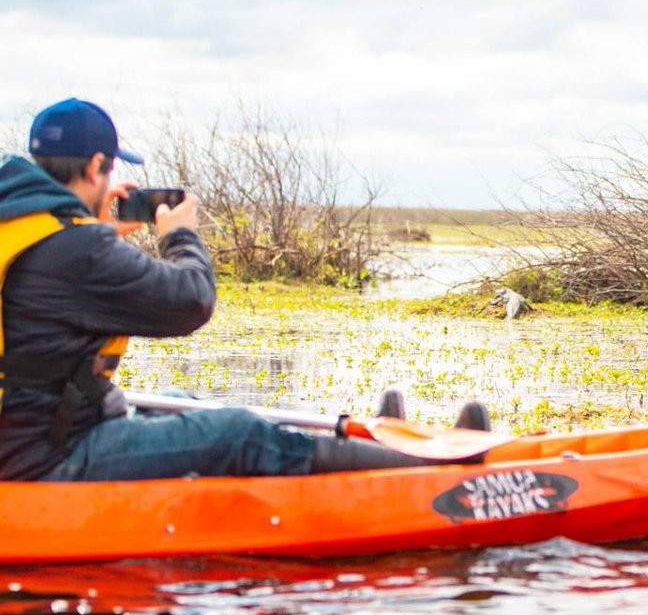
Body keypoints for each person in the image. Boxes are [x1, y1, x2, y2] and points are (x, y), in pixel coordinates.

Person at [0, 98, 489, 482]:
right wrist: (179, 235)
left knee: (181, 400)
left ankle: (372, 452)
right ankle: (437, 476)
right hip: (46, 458)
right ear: (96, 166)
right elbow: (191, 301)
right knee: (236, 433)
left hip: (33, 436)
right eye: (108, 170)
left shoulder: (30, 227)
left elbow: (62, 288)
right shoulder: (79, 250)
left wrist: (100, 232)